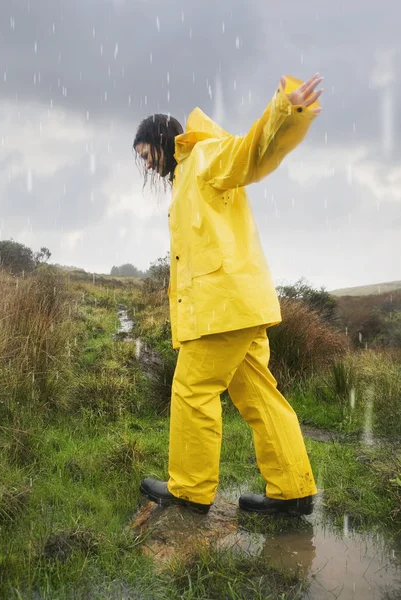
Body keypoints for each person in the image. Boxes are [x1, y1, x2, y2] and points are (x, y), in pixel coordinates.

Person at [133, 73, 324, 516]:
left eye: (146, 155)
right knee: (259, 395)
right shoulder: (187, 176)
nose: (146, 165)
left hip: (222, 310)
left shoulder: (203, 156)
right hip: (239, 305)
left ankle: (189, 490)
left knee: (191, 389)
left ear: (163, 139)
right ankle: (292, 490)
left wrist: (285, 109)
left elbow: (252, 153)